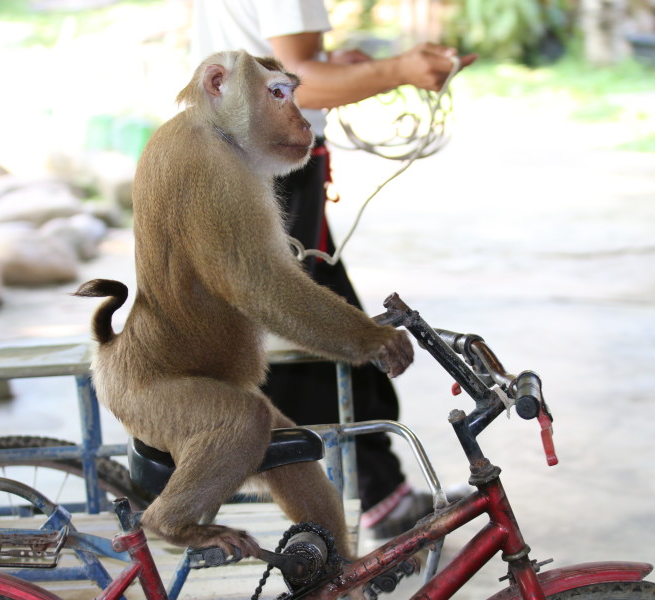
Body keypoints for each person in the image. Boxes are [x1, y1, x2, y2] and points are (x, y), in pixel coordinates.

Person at [190, 0, 475, 538]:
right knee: (313, 344)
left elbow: (281, 70)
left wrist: (344, 67)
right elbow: (294, 86)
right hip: (264, 172)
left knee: (343, 334)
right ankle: (330, 500)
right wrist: (396, 71)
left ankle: (378, 489)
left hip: (250, 164)